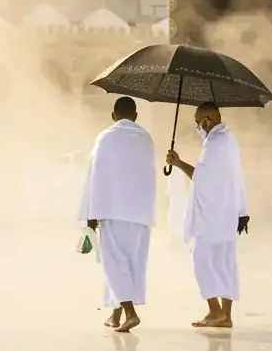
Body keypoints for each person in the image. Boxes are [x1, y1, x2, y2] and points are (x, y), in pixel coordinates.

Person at [166, 102, 249, 329]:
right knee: (225, 264)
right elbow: (237, 177)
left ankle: (214, 310)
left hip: (211, 216)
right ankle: (226, 315)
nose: (197, 126)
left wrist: (178, 162)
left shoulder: (214, 144)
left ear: (207, 120)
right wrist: (243, 211)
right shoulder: (230, 141)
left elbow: (201, 177)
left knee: (202, 260)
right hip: (229, 213)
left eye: (197, 121)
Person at [78, 96, 157, 332]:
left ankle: (130, 313)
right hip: (141, 213)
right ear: (135, 116)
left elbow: (95, 177)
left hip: (113, 211)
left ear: (114, 115)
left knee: (114, 265)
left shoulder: (106, 138)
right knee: (130, 264)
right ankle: (115, 314)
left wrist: (91, 218)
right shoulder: (146, 139)